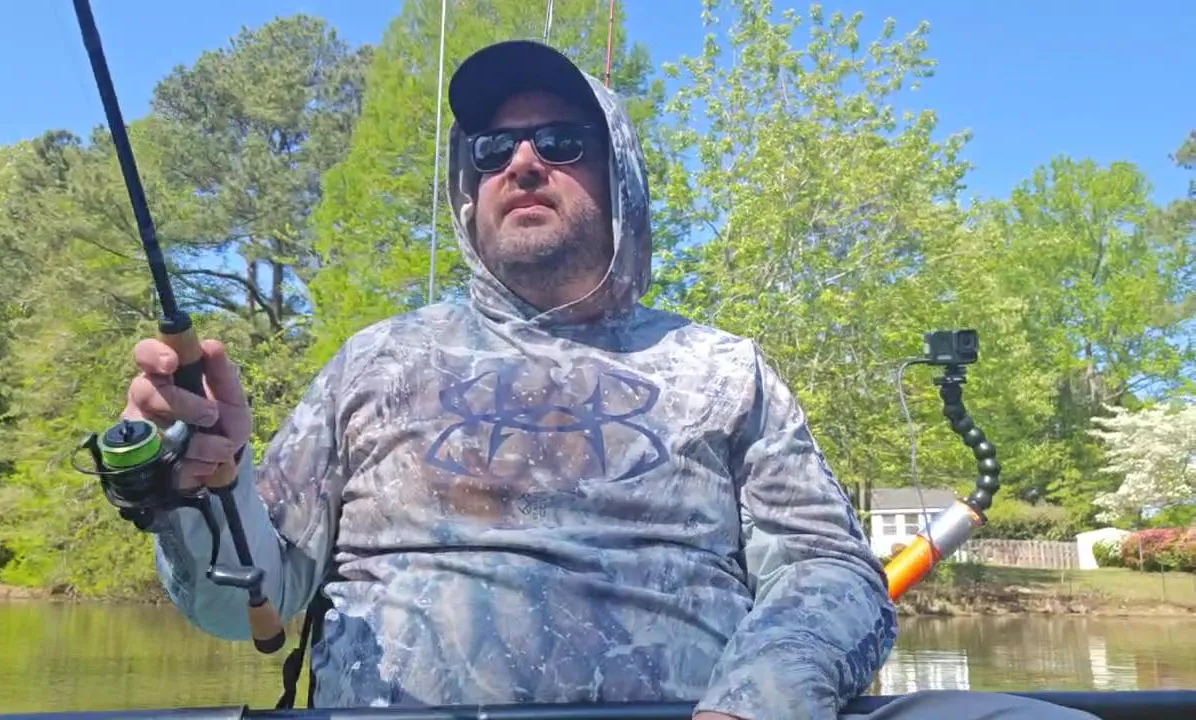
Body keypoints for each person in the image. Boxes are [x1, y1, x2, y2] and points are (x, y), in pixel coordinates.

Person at [126, 41, 1097, 720]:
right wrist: (201, 487)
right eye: (491, 150)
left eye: (560, 142)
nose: (522, 162)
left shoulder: (721, 367)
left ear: (618, 176)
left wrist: (760, 701)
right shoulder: (374, 361)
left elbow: (831, 571)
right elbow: (243, 601)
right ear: (467, 191)